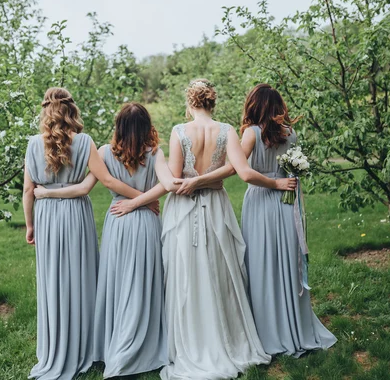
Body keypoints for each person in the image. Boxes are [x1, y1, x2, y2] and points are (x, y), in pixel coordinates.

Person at [112, 79, 295, 380]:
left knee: (185, 273)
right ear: (212, 102)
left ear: (190, 103)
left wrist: (192, 181)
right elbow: (237, 168)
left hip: (183, 210)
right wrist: (205, 179)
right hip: (216, 206)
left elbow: (172, 180)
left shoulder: (179, 132)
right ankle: (226, 339)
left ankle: (189, 341)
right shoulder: (227, 131)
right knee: (218, 270)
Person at [181, 83, 337, 357]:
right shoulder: (291, 133)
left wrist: (200, 179)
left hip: (264, 200)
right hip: (286, 204)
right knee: (286, 261)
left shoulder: (251, 134)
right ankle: (294, 324)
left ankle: (268, 330)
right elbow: (292, 169)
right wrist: (283, 185)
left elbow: (242, 172)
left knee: (262, 262)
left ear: (253, 105)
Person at [34, 102, 169, 378]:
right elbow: (165, 184)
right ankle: (141, 343)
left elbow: (89, 186)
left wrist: (47, 194)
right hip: (145, 223)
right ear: (147, 126)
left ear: (118, 126)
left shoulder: (106, 152)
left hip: (117, 222)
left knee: (117, 284)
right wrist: (144, 201)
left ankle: (114, 346)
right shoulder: (154, 152)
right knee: (144, 282)